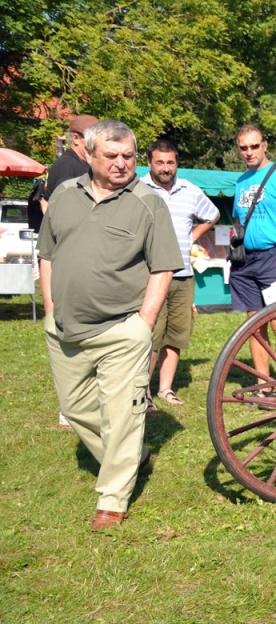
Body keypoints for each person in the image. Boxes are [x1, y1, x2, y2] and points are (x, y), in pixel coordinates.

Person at [38, 120, 183, 529]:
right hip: (65, 328)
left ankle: (113, 498)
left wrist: (144, 321)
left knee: (121, 415)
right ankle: (132, 455)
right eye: (111, 156)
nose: (122, 164)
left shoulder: (147, 202)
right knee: (76, 407)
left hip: (122, 328)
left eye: (128, 156)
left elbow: (164, 266)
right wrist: (50, 306)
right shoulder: (64, 195)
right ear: (87, 154)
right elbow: (47, 253)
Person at [141, 139, 220, 408]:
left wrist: (191, 235)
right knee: (150, 336)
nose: (165, 168)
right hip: (150, 275)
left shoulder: (189, 190)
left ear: (177, 163)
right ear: (150, 162)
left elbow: (212, 215)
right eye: (160, 162)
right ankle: (143, 393)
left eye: (170, 162)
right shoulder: (138, 189)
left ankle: (165, 389)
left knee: (175, 335)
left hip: (184, 275)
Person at [230, 125, 276, 398]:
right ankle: (263, 384)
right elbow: (239, 220)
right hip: (246, 260)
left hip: (275, 256)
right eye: (243, 148)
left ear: (265, 145)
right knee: (254, 325)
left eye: (254, 146)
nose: (249, 152)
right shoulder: (240, 182)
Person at [41, 114, 98, 429]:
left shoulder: (82, 165)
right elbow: (62, 215)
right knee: (70, 338)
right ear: (76, 138)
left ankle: (80, 402)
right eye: (91, 136)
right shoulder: (67, 167)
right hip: (69, 260)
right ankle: (70, 407)